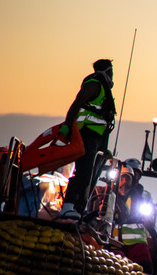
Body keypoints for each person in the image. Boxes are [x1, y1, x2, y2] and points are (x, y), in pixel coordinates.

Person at [59, 59, 116, 220]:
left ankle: (78, 209)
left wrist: (103, 148)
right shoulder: (94, 84)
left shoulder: (104, 89)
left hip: (96, 139)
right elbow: (76, 104)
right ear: (108, 71)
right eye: (112, 72)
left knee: (90, 176)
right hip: (86, 134)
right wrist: (67, 126)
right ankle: (67, 206)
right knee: (83, 172)